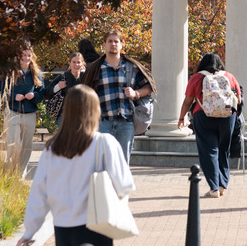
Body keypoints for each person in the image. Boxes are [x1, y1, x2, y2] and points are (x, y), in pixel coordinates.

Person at [17, 84, 135, 246]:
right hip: (97, 223)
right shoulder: (105, 143)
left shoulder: (52, 148)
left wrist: (30, 231)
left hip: (63, 226)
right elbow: (124, 184)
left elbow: (39, 193)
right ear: (95, 110)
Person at [81, 29, 155, 166]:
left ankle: (120, 188)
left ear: (121, 44)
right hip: (102, 122)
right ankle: (104, 188)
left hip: (125, 122)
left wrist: (136, 93)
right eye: (110, 41)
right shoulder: (95, 68)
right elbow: (85, 92)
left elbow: (149, 87)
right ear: (104, 44)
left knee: (122, 165)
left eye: (116, 41)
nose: (113, 44)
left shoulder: (132, 66)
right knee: (102, 164)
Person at [178, 52, 241, 197]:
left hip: (203, 115)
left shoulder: (197, 77)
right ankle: (222, 184)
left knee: (209, 151)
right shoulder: (229, 76)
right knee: (224, 149)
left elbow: (188, 101)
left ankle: (213, 188)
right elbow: (238, 99)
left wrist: (181, 118)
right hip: (227, 117)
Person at [0, 42, 44, 175]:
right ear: (19, 57)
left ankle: (20, 173)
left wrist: (34, 95)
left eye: (29, 55)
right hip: (12, 112)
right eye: (24, 55)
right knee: (14, 143)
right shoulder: (10, 73)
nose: (27, 58)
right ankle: (11, 169)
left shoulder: (36, 74)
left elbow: (41, 94)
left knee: (26, 146)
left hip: (30, 114)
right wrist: (13, 96)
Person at [47, 52, 87, 126]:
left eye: (78, 62)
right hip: (64, 116)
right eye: (74, 62)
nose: (76, 65)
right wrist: (58, 87)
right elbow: (47, 93)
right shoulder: (63, 77)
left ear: (82, 64)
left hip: (82, 116)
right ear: (69, 63)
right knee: (66, 137)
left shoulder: (86, 77)